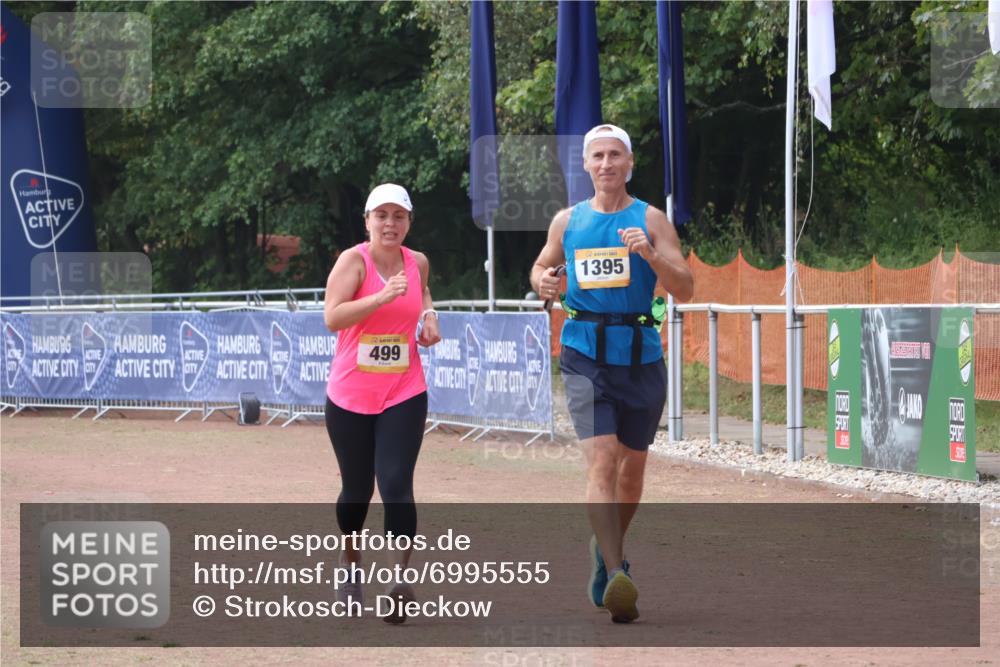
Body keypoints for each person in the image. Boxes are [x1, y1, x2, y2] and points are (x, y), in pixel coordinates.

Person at [530, 124, 694, 623]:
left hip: (640, 355)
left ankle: (605, 552)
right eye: (598, 155)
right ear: (585, 164)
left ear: (629, 164)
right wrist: (545, 283)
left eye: (615, 155)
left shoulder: (651, 218)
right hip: (584, 353)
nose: (606, 163)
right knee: (602, 461)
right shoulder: (567, 221)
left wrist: (649, 254)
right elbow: (540, 268)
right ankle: (619, 570)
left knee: (631, 470)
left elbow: (685, 287)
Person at [323, 183, 441, 624]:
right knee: (357, 493)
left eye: (399, 216)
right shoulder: (352, 262)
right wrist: (380, 297)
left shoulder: (417, 262)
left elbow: (422, 292)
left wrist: (429, 316)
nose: (390, 224)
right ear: (367, 221)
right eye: (382, 215)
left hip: (404, 391)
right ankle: (351, 562)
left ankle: (397, 582)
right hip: (351, 395)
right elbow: (332, 317)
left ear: (409, 221)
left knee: (396, 484)